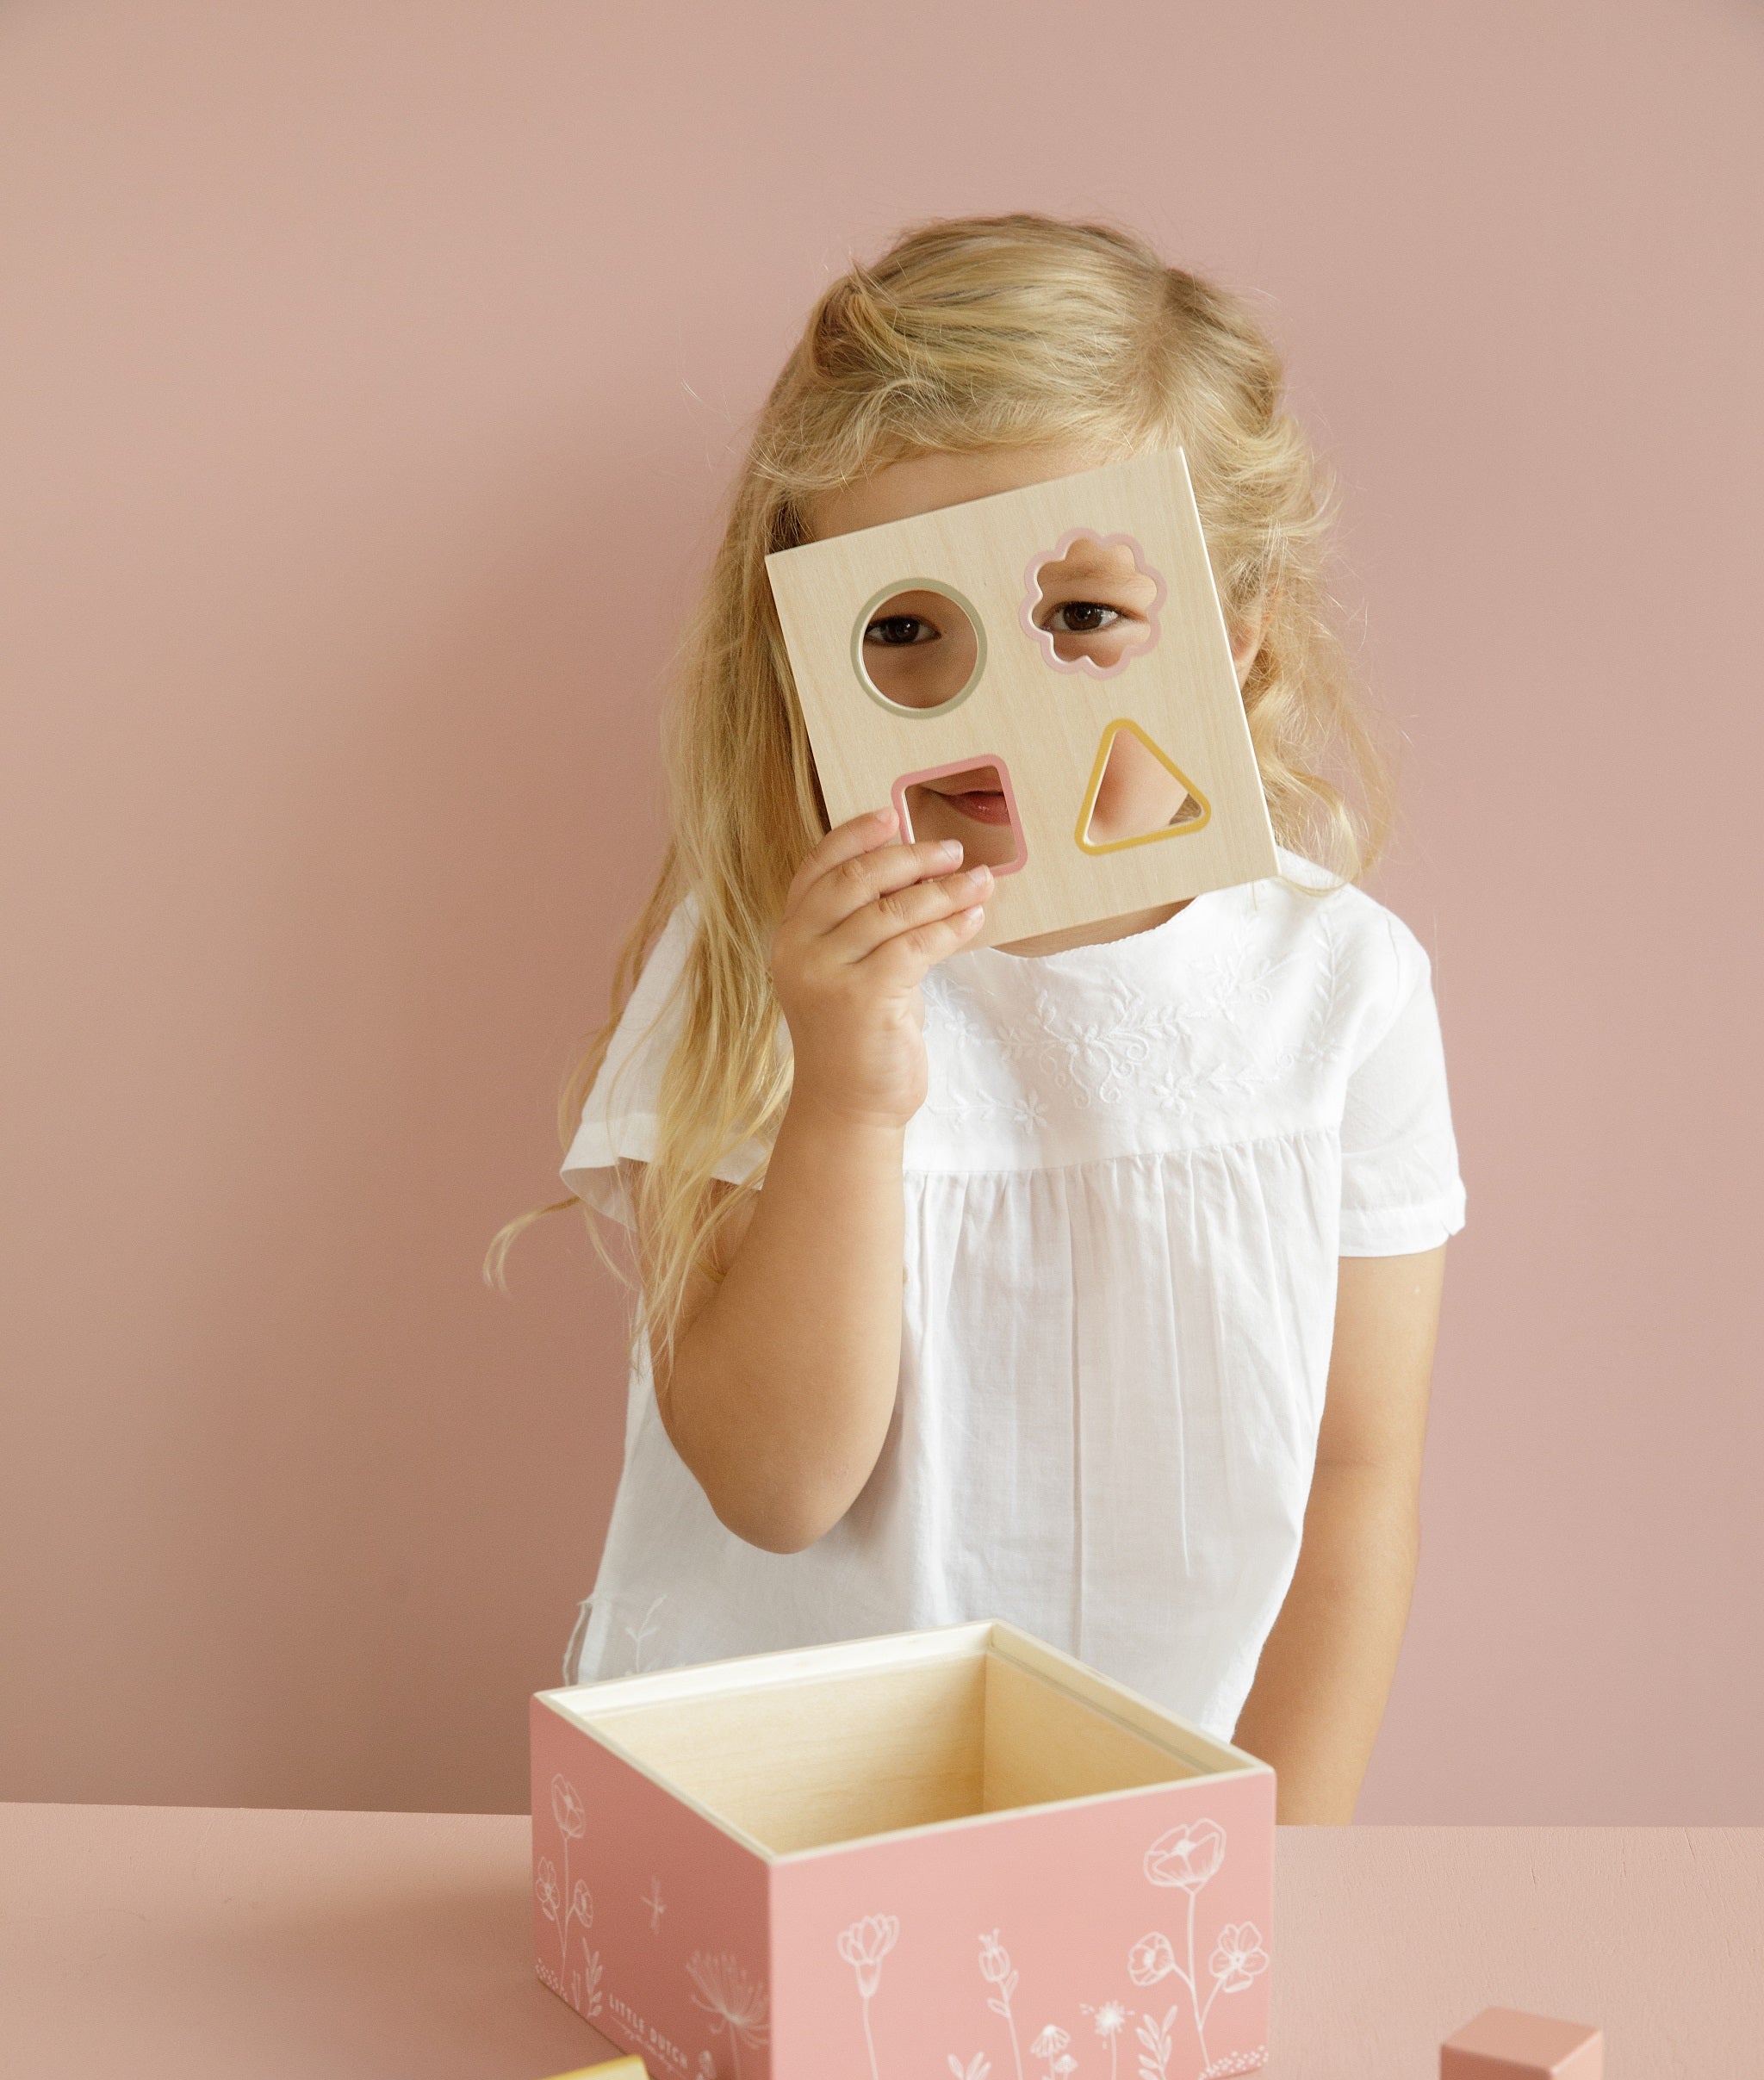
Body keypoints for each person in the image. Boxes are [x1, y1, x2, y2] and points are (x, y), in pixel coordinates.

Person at [497, 214, 1464, 1824]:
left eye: (1083, 615)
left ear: (1239, 636)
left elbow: (1356, 1487)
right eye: (901, 630)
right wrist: (847, 1093)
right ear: (811, 656)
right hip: (763, 1809)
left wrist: (1284, 1854)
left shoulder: (1340, 990)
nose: (985, 695)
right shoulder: (755, 961)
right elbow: (775, 1485)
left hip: (1143, 1831)